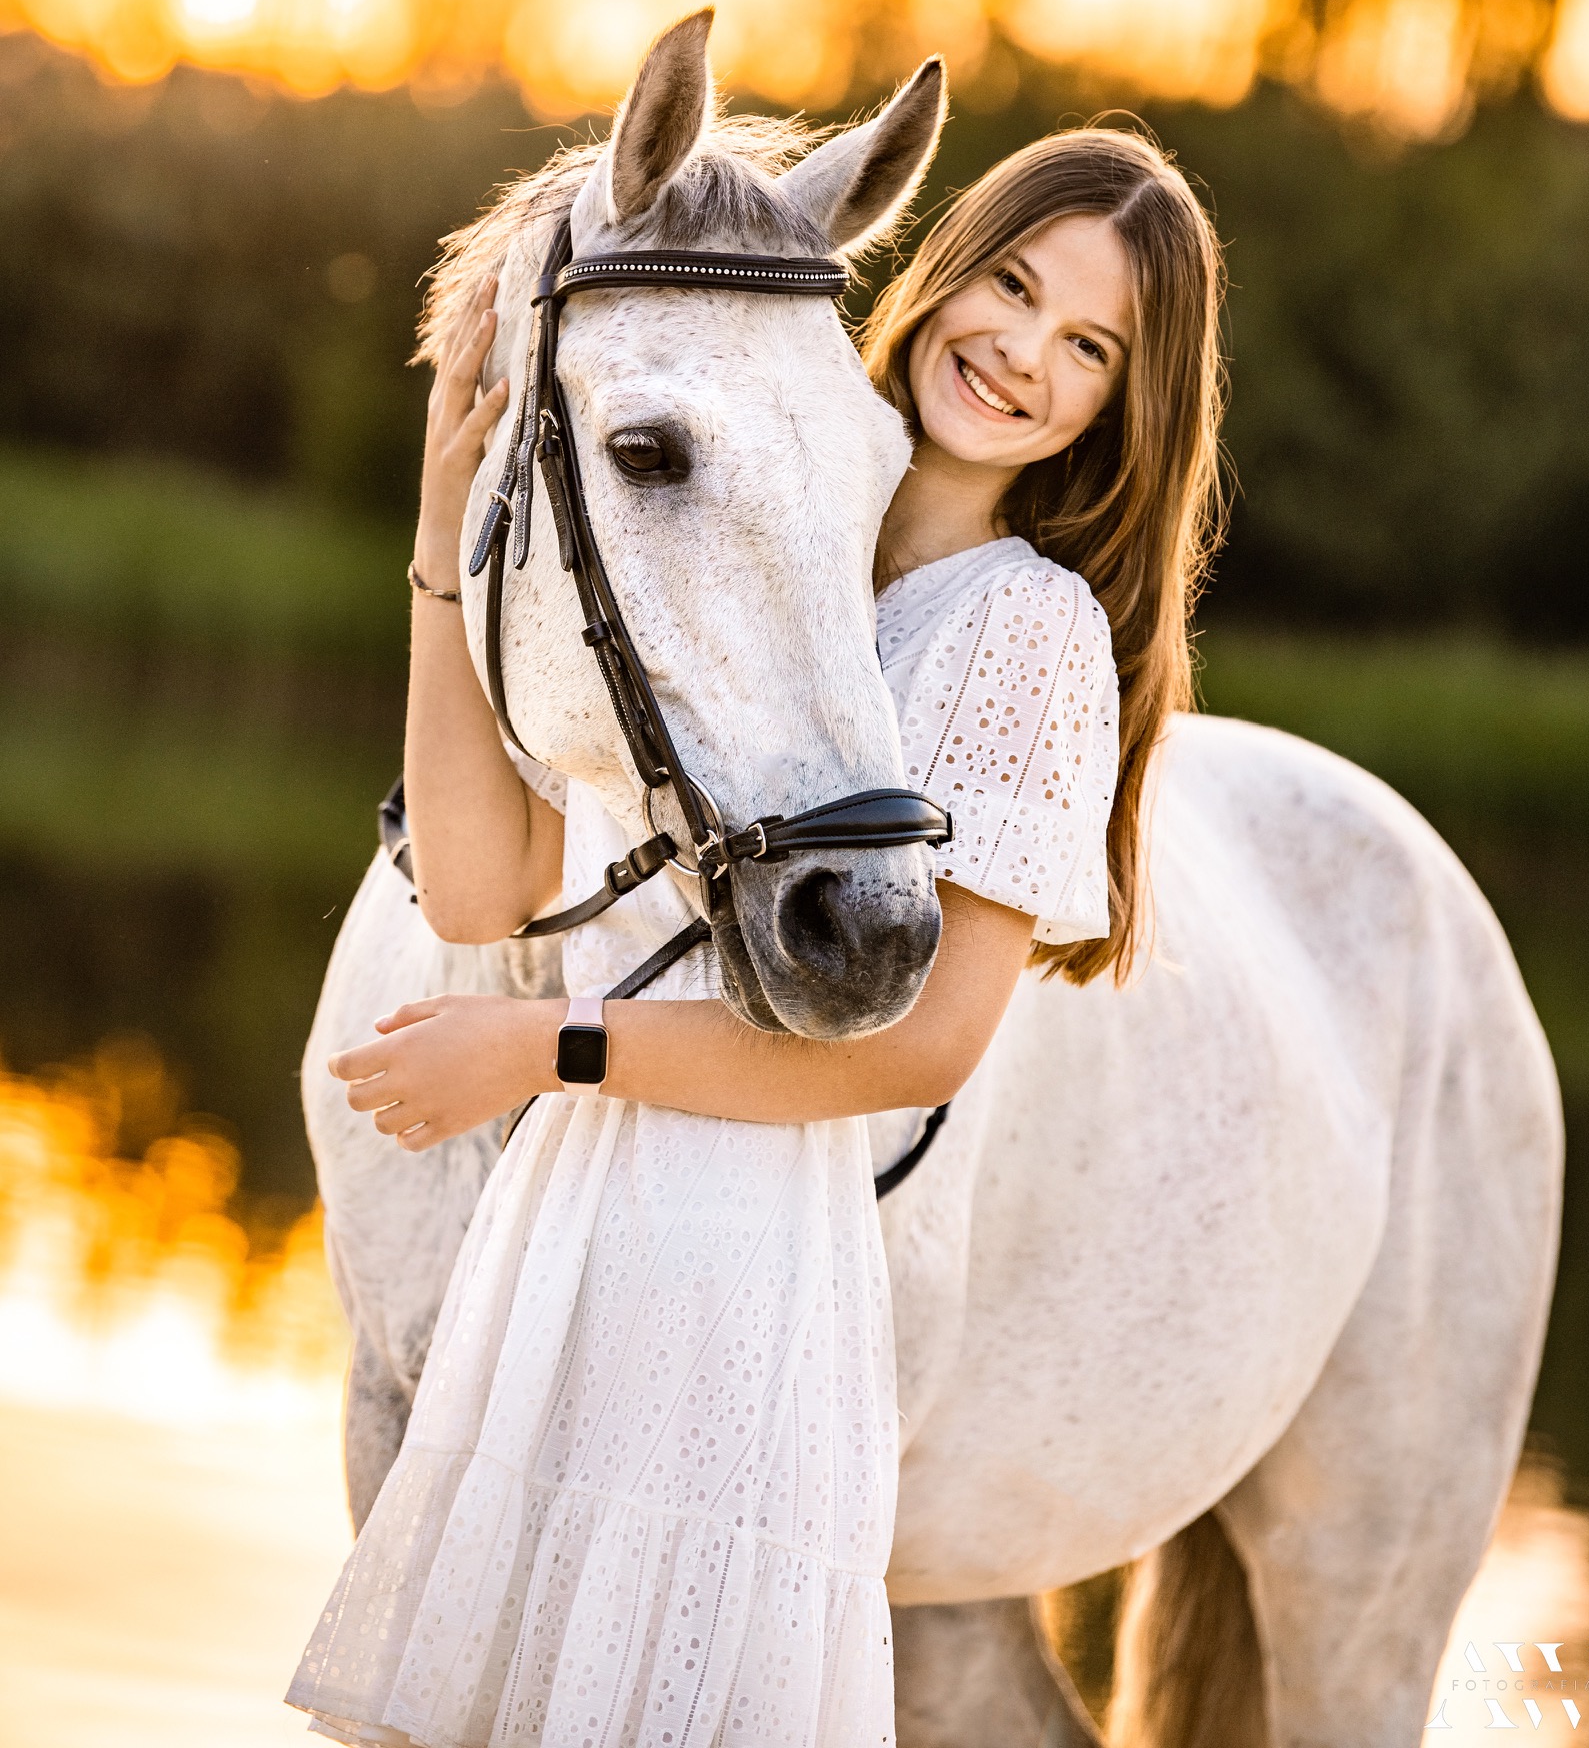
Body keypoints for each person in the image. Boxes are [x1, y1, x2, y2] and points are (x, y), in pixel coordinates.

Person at [287, 125, 1224, 1748]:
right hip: (564, 1225)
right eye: (1011, 285)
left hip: (731, 1259)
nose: (1021, 353)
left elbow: (922, 1043)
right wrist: (445, 537)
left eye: (1088, 347)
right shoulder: (732, 529)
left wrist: (540, 1048)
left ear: (1120, 407)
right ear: (938, 272)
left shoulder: (1025, 633)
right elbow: (478, 888)